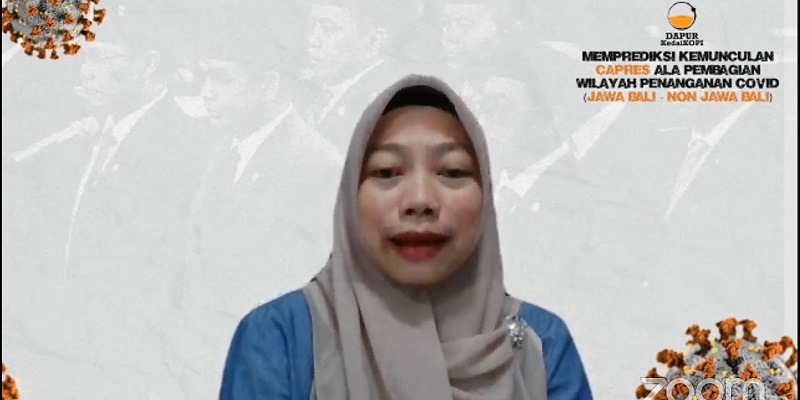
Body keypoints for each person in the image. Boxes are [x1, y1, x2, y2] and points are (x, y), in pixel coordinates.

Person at [219, 75, 592, 399]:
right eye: (386, 172)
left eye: (452, 172)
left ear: (486, 199)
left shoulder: (542, 343)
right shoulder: (279, 337)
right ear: (350, 198)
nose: (419, 201)